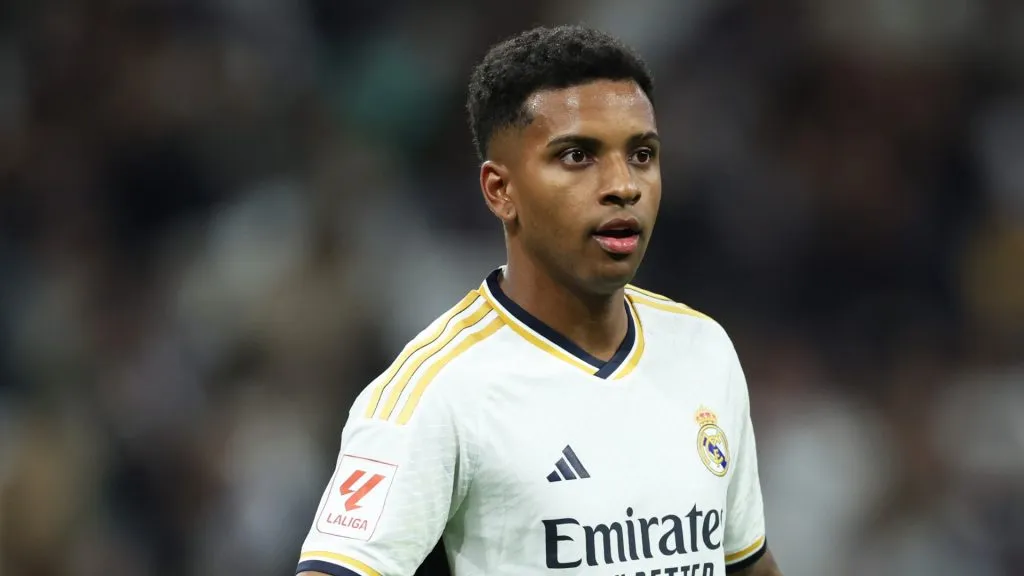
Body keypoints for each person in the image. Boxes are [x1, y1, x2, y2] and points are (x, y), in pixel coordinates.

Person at [296, 24, 782, 576]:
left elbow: (747, 563)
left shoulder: (704, 349)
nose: (623, 184)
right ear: (500, 191)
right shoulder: (438, 390)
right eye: (578, 155)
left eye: (642, 154)